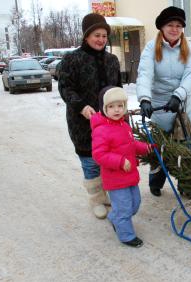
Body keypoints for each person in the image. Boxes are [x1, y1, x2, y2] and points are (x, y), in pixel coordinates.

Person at [58, 13, 122, 219]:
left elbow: (118, 89)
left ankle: (106, 194)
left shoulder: (112, 60)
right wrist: (81, 106)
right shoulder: (72, 59)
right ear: (86, 36)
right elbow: (66, 88)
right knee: (90, 162)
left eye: (104, 35)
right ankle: (96, 199)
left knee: (108, 160)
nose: (101, 39)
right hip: (82, 123)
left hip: (110, 122)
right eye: (97, 35)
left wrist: (122, 111)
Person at [136, 6, 191, 197]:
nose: (174, 29)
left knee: (185, 151)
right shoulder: (150, 48)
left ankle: (186, 185)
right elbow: (145, 74)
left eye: (179, 26)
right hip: (160, 108)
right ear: (162, 27)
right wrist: (145, 99)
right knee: (158, 150)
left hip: (183, 108)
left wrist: (178, 95)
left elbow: (190, 75)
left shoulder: (190, 47)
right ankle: (156, 182)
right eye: (170, 25)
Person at [91, 86, 151, 247]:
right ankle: (126, 235)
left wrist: (146, 147)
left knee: (135, 204)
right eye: (111, 106)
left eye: (120, 106)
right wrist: (119, 161)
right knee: (124, 208)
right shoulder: (101, 130)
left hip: (130, 175)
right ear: (104, 108)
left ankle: (116, 217)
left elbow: (131, 144)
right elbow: (99, 154)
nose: (116, 110)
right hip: (115, 178)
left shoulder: (123, 125)